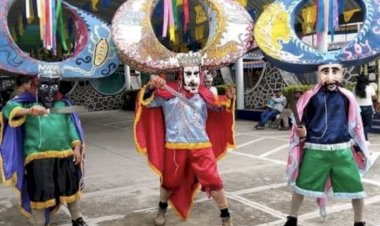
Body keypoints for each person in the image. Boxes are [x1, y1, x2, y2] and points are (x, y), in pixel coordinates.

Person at [134, 52, 236, 226]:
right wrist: (151, 87)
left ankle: (226, 216)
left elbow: (219, 109)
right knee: (169, 181)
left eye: (196, 73)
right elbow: (146, 103)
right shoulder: (167, 91)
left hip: (202, 145)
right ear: (181, 74)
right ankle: (161, 209)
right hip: (174, 146)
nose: (193, 78)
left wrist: (229, 98)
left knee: (213, 180)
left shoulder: (205, 93)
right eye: (189, 74)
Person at [284, 62, 370, 226]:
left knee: (357, 189)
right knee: (300, 186)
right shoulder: (309, 96)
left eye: (335, 71)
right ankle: (292, 219)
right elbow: (302, 122)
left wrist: (359, 148)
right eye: (325, 71)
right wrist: (302, 132)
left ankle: (359, 222)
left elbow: (354, 124)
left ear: (341, 73)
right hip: (316, 150)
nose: (330, 76)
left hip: (342, 150)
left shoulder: (347, 97)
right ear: (318, 73)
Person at [0, 74, 87, 226]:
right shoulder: (26, 103)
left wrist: (77, 148)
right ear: (37, 87)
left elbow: (71, 127)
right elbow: (7, 110)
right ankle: (40, 224)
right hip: (37, 157)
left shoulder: (62, 105)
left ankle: (77, 219)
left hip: (65, 154)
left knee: (71, 189)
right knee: (40, 194)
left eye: (53, 88)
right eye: (45, 87)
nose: (49, 93)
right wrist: (28, 111)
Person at [354, 73, 377, 142]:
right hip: (368, 108)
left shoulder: (355, 88)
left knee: (360, 124)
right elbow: (375, 98)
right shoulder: (370, 88)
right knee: (368, 125)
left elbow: (353, 98)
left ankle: (363, 138)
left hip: (358, 109)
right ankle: (364, 138)